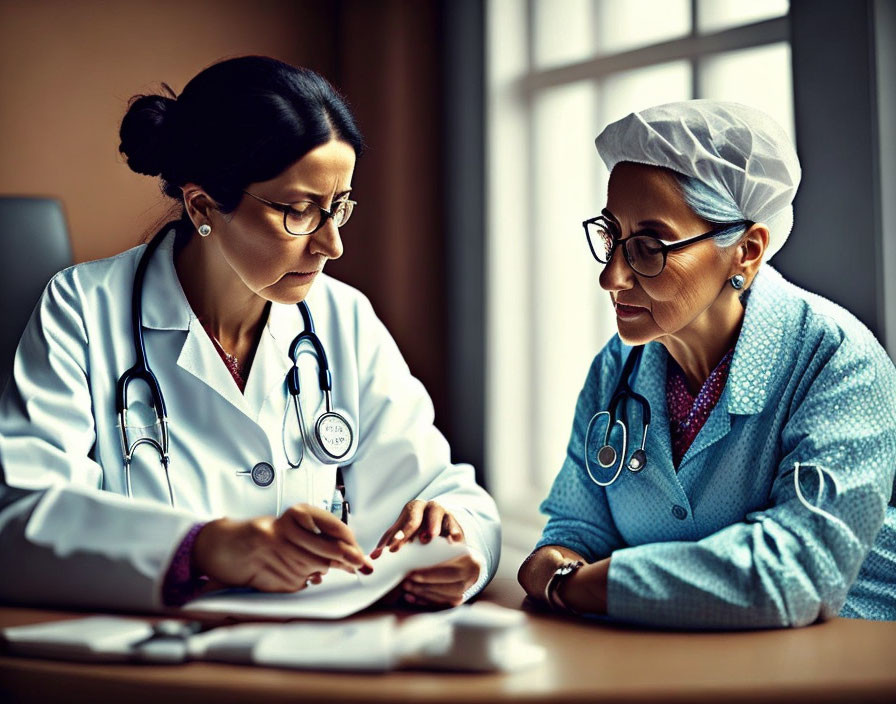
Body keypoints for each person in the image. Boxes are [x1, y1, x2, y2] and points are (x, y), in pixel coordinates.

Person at [0, 56, 499, 612]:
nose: (332, 244)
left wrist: (457, 543)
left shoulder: (344, 318)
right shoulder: (83, 309)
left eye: (339, 207)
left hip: (316, 662)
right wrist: (203, 547)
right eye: (300, 210)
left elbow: (452, 496)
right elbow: (19, 518)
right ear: (203, 204)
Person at [518, 100, 896, 628]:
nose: (612, 277)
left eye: (649, 246)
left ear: (746, 251)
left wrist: (575, 584)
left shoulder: (838, 361)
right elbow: (575, 530)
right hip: (678, 663)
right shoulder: (617, 369)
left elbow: (796, 575)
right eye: (611, 237)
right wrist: (559, 562)